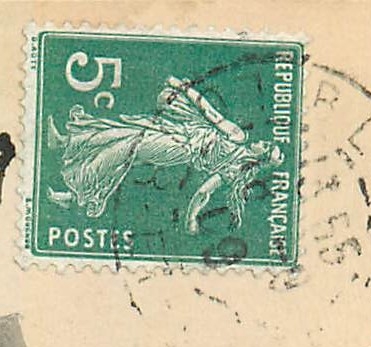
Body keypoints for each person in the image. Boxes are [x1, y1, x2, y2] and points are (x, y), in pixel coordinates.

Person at [47, 76, 283, 233]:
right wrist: (191, 218)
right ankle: (65, 146)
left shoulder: (238, 141)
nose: (264, 142)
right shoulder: (236, 166)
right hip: (179, 133)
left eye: (267, 147)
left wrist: (184, 88)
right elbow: (204, 192)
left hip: (179, 145)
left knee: (127, 145)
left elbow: (209, 113)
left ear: (261, 157)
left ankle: (75, 188)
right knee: (124, 137)